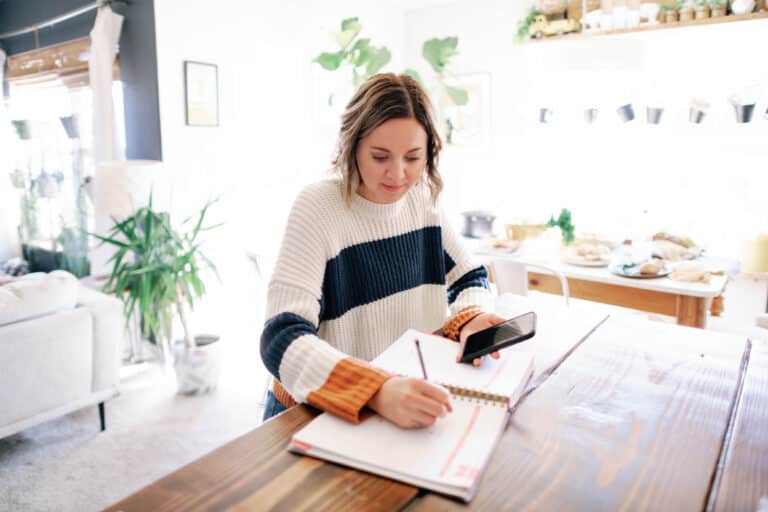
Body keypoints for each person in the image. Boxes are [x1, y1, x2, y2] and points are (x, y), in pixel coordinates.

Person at [260, 72, 505, 429]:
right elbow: (281, 338)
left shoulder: (423, 199)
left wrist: (470, 319)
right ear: (352, 146)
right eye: (380, 157)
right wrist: (375, 389)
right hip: (312, 414)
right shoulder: (318, 206)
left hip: (394, 408)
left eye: (413, 157)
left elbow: (470, 278)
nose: (398, 175)